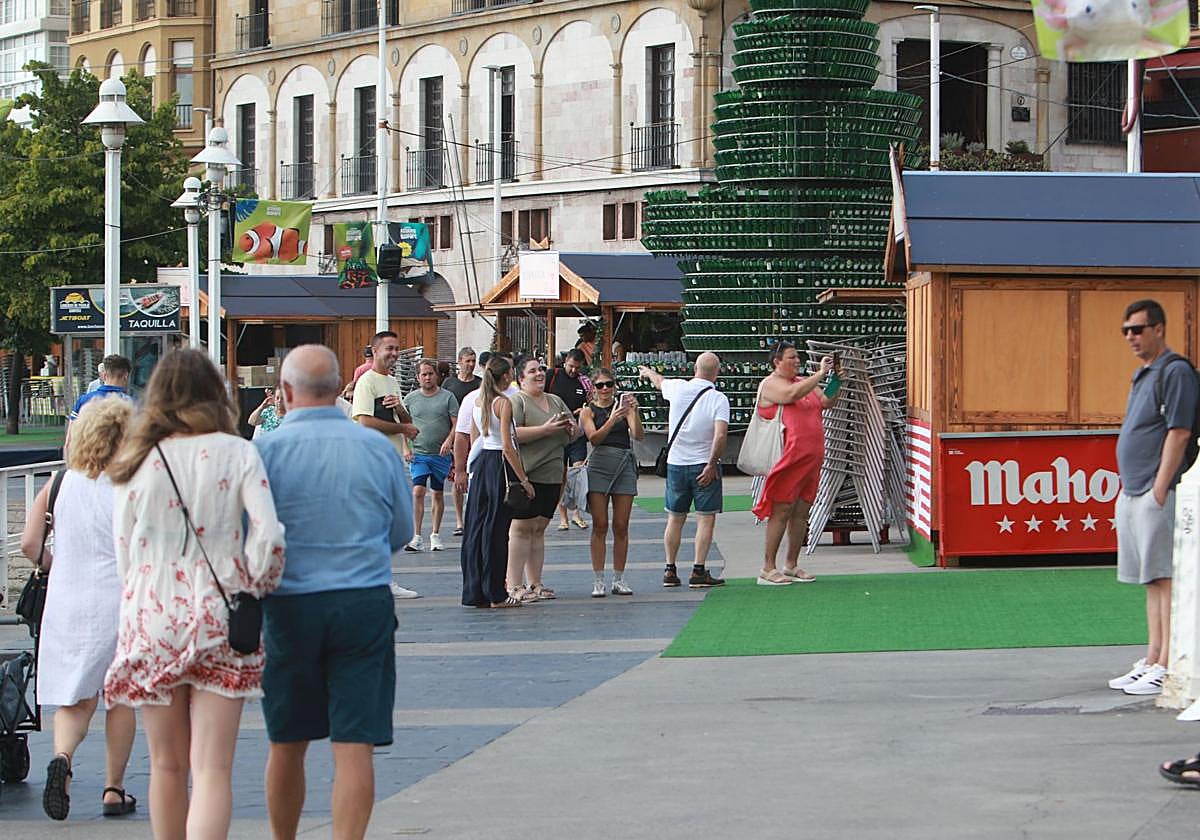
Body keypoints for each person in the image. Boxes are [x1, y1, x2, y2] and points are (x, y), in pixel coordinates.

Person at [103, 348, 286, 840]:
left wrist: (140, 592)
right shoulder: (237, 451)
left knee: (165, 765)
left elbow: (124, 547)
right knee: (212, 767)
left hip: (152, 611)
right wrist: (256, 585)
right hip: (220, 611)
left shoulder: (135, 458)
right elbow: (269, 535)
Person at [255, 345, 412, 840]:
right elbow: (401, 531)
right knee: (355, 744)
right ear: (339, 388)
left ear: (285, 391)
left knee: (286, 741)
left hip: (289, 604)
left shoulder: (265, 452)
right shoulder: (374, 448)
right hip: (363, 600)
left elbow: (249, 535)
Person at [20, 397, 137, 821]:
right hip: (119, 599)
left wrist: (57, 565)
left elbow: (29, 544)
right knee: (120, 697)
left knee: (75, 697)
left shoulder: (59, 482)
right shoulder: (132, 485)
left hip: (67, 599)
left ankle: (62, 759)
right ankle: (113, 789)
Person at [1108, 300, 1197, 697]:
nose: (1131, 337)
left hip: (1157, 491)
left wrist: (1160, 486)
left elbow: (1179, 431)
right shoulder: (1143, 374)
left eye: (1138, 329)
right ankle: (1152, 657)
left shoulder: (1175, 372)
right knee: (1151, 579)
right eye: (1126, 331)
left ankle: (1167, 664)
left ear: (1159, 329)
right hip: (1134, 489)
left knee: (1164, 577)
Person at [751, 342, 839, 586]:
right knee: (781, 510)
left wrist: (836, 380)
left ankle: (791, 563)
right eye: (791, 357)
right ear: (777, 362)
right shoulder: (771, 384)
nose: (797, 361)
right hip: (788, 458)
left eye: (798, 357)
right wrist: (820, 374)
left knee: (801, 512)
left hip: (810, 458)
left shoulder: (803, 382)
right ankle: (768, 567)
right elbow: (790, 395)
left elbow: (826, 401)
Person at [639, 352, 729, 589]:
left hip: (676, 464)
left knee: (675, 518)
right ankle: (698, 570)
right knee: (705, 519)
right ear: (717, 373)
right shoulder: (718, 399)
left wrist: (647, 372)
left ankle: (670, 568)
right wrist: (712, 463)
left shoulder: (677, 388)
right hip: (704, 465)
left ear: (695, 369)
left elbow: (659, 381)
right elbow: (720, 435)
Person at [460, 355, 533, 609]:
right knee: (496, 531)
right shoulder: (503, 403)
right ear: (506, 376)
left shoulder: (478, 400)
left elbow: (476, 436)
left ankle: (475, 591)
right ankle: (496, 594)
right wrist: (524, 479)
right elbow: (507, 445)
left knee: (477, 528)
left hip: (482, 464)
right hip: (499, 465)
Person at [352, 330, 421, 599]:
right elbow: (364, 420)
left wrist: (399, 411)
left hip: (390, 459)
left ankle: (380, 577)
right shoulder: (366, 381)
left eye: (396, 348)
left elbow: (405, 418)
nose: (393, 353)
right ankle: (379, 579)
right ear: (375, 350)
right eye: (389, 348)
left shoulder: (391, 381)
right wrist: (403, 428)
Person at [509, 357, 575, 601]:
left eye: (541, 370)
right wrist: (544, 430)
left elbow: (575, 429)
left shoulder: (555, 400)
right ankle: (514, 585)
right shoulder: (518, 401)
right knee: (521, 529)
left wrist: (571, 428)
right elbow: (511, 434)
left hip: (553, 474)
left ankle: (535, 583)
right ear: (521, 378)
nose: (539, 374)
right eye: (532, 371)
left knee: (539, 529)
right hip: (527, 474)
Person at [579, 368, 644, 597]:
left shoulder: (623, 408)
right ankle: (598, 579)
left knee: (621, 525)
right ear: (593, 388)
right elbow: (594, 438)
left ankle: (619, 577)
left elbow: (638, 435)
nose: (605, 389)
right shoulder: (588, 411)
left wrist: (633, 412)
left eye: (609, 384)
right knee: (599, 524)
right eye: (600, 385)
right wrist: (612, 419)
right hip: (599, 465)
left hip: (623, 463)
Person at [401, 359, 458, 552]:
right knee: (418, 491)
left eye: (430, 374)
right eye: (423, 374)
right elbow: (403, 425)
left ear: (437, 375)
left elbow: (456, 423)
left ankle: (435, 534)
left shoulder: (448, 397)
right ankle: (417, 536)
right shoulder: (410, 399)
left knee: (438, 492)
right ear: (418, 377)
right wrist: (406, 448)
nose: (427, 378)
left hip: (440, 454)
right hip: (419, 453)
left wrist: (449, 441)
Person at [548, 349, 591, 531]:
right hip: (557, 433)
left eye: (577, 368)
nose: (573, 370)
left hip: (577, 433)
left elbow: (592, 402)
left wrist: (585, 410)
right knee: (561, 475)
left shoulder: (584, 381)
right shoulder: (552, 375)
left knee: (578, 474)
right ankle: (563, 516)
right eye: (571, 366)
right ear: (565, 361)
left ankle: (577, 514)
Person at [444, 347, 481, 536]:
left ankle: (474, 517)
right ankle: (460, 520)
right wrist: (448, 438)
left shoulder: (480, 384)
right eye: (467, 361)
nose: (471, 364)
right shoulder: (449, 383)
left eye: (473, 361)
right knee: (457, 478)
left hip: (476, 437)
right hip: (457, 436)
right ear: (459, 361)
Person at [66, 354, 132, 454]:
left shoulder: (84, 401)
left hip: (88, 458)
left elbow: (70, 440)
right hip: (120, 459)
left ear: (104, 375)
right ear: (126, 376)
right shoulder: (131, 404)